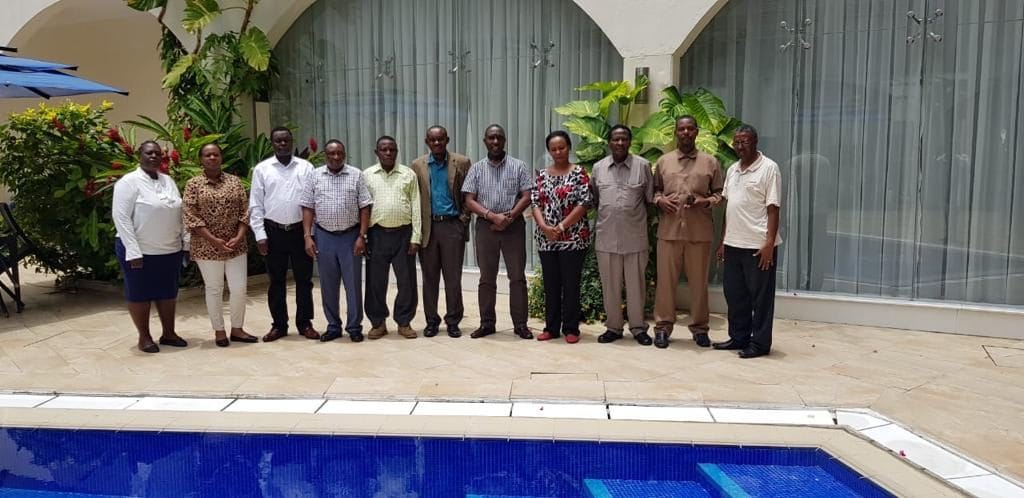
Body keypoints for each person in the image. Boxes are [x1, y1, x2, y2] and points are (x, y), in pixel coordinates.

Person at [652, 115, 724, 349]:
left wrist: (705, 201)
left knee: (698, 284)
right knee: (665, 284)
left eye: (690, 128)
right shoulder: (663, 162)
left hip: (698, 233)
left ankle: (700, 329)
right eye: (681, 129)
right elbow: (655, 192)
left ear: (696, 132)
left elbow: (720, 194)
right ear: (675, 132)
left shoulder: (710, 162)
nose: (685, 132)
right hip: (669, 232)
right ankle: (662, 328)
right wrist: (660, 200)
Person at [112, 141, 190, 353]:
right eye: (149, 153)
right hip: (140, 251)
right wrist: (133, 250)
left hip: (169, 249)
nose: (154, 156)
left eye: (157, 153)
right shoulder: (128, 182)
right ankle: (144, 337)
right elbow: (121, 218)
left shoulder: (168, 181)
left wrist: (186, 242)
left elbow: (180, 213)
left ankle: (169, 333)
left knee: (168, 293)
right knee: (140, 294)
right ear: (140, 156)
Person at [713, 124, 782, 359]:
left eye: (745, 142)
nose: (739, 146)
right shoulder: (733, 169)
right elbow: (729, 207)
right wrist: (723, 241)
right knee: (735, 295)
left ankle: (760, 344)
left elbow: (773, 208)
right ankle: (739, 337)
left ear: (755, 142)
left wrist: (769, 244)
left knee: (760, 299)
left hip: (758, 246)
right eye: (737, 142)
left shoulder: (769, 168)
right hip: (733, 243)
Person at [462, 124, 534, 339]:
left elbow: (527, 195)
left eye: (499, 138)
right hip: (486, 226)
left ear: (505, 141)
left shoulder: (519, 166)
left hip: (513, 226)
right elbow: (469, 200)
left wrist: (509, 217)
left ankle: (520, 324)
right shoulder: (476, 168)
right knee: (486, 278)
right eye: (491, 138)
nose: (495, 142)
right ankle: (487, 323)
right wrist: (491, 216)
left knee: (517, 277)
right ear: (485, 141)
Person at [182, 143, 257, 347]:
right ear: (201, 159)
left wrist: (240, 236)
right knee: (214, 288)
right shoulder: (193, 184)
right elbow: (191, 216)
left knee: (239, 288)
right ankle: (219, 331)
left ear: (221, 158)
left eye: (216, 154)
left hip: (235, 246)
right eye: (207, 155)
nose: (212, 158)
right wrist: (213, 240)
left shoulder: (234, 182)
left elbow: (245, 211)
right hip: (207, 247)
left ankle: (238, 329)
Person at [249, 126, 319, 342]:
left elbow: (313, 202)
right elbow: (256, 205)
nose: (282, 144)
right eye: (278, 141)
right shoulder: (262, 169)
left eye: (286, 140)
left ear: (291, 141)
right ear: (272, 144)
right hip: (273, 232)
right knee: (276, 281)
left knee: (304, 280)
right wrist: (260, 235)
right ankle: (279, 325)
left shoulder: (306, 168)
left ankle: (304, 323)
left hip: (300, 231)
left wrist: (311, 234)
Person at [300, 139, 373, 342]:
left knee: (353, 285)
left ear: (344, 154)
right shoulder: (314, 176)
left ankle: (354, 326)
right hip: (324, 236)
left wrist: (362, 236)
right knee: (328, 285)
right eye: (332, 153)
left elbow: (365, 207)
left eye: (340, 153)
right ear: (325, 155)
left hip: (351, 236)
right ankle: (333, 326)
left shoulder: (356, 175)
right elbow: (307, 207)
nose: (336, 157)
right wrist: (308, 236)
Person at [591, 125, 655, 346]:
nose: (620, 143)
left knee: (637, 286)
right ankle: (614, 327)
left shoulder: (643, 166)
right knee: (610, 286)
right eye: (616, 139)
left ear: (630, 142)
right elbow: (596, 199)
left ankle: (638, 328)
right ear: (609, 142)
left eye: (624, 139)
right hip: (606, 238)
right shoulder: (598, 168)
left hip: (635, 238)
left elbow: (650, 199)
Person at [530, 131, 592, 343]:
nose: (558, 152)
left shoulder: (579, 173)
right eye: (554, 149)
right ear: (549, 151)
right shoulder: (542, 175)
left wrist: (562, 226)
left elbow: (584, 203)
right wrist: (545, 227)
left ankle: (571, 328)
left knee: (571, 284)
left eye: (562, 147)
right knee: (551, 284)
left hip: (574, 239)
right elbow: (535, 202)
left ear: (569, 147)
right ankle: (551, 327)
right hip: (547, 239)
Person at [411, 125, 472, 338]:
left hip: (452, 226)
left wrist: (463, 219)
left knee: (453, 277)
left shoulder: (462, 162)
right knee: (429, 278)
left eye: (440, 140)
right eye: (432, 140)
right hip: (428, 228)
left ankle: (453, 320)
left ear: (447, 140)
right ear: (427, 142)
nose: (437, 143)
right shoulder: (417, 165)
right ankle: (431, 321)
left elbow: (469, 194)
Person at [362, 136, 422, 340]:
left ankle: (404, 322)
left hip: (403, 235)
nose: (388, 153)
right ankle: (378, 323)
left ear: (397, 152)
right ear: (376, 152)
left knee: (407, 282)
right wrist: (362, 236)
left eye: (392, 150)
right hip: (376, 235)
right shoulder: (367, 175)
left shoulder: (408, 174)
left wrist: (416, 237)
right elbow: (362, 208)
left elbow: (416, 206)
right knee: (375, 282)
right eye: (384, 149)